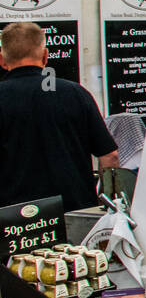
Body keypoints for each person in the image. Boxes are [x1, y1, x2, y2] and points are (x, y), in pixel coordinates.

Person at [0, 22, 120, 212]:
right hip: (74, 211)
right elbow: (109, 156)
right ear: (46, 56)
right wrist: (103, 202)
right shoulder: (75, 93)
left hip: (14, 219)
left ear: (2, 60)